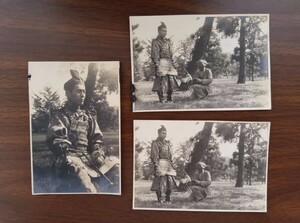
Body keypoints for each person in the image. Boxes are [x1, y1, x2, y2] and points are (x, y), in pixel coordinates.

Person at [46, 69, 106, 193]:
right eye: (78, 91)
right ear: (68, 93)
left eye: (84, 91)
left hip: (88, 158)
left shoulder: (88, 116)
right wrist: (62, 146)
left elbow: (96, 139)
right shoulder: (60, 115)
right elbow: (57, 138)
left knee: (117, 169)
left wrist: (97, 152)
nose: (82, 94)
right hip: (68, 158)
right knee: (85, 184)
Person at [151, 22, 178, 103]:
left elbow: (171, 53)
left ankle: (169, 97)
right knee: (161, 80)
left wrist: (172, 61)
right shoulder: (155, 42)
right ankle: (161, 98)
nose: (165, 32)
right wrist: (157, 64)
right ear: (158, 31)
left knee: (171, 79)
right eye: (163, 31)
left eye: (166, 31)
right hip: (160, 61)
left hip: (169, 61)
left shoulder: (168, 41)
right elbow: (155, 53)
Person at [150, 125, 176, 203]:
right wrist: (156, 165)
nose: (164, 135)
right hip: (159, 163)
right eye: (163, 133)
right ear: (158, 134)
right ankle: (160, 198)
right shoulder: (155, 143)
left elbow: (170, 155)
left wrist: (172, 164)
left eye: (165, 133)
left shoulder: (167, 143)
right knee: (160, 181)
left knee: (170, 180)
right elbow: (155, 155)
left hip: (168, 163)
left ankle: (168, 198)